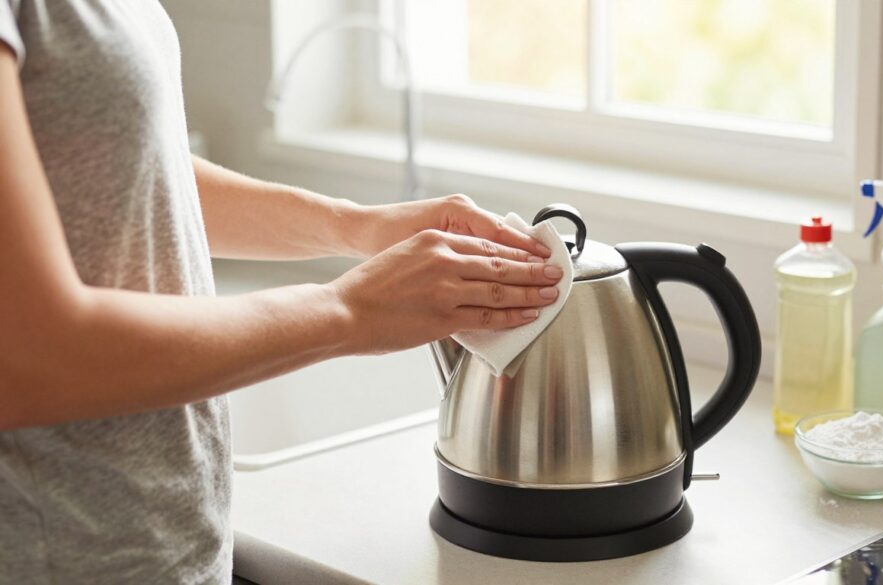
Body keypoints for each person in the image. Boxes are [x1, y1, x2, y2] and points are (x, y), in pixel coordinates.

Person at [0, 2, 561, 583]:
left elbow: (115, 161)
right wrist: (350, 311)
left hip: (154, 548)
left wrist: (354, 225)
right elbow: (29, 355)